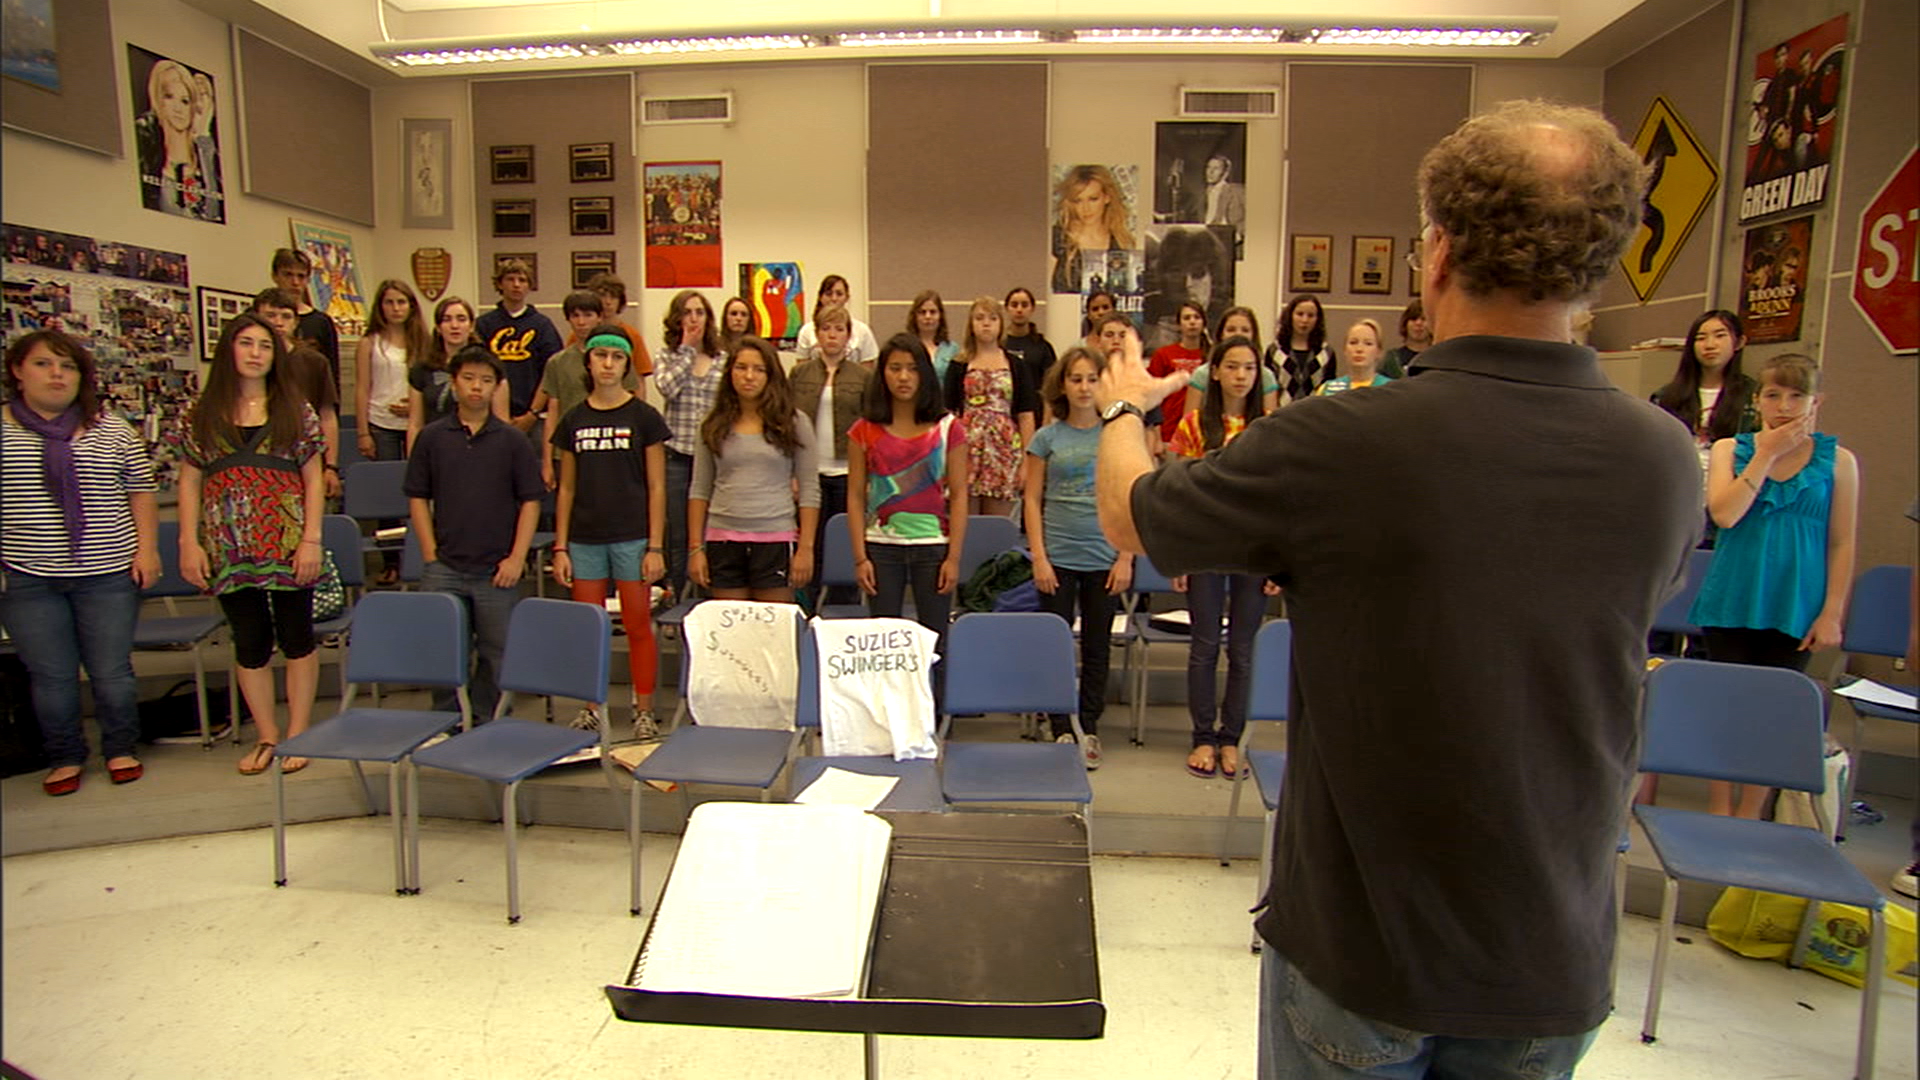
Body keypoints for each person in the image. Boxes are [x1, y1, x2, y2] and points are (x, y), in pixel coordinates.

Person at [1094, 101, 1698, 1076]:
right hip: (1548, 962)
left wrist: (1122, 404)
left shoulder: (1343, 443)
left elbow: (1131, 515)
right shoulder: (1666, 460)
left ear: (1439, 252)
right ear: (1599, 263)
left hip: (1365, 958)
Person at [1688, 352, 1858, 819]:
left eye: (1797, 396)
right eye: (1773, 394)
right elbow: (1725, 514)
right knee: (1728, 705)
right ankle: (1720, 808)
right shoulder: (1730, 450)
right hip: (1734, 595)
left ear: (1816, 402)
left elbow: (1842, 542)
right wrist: (1766, 454)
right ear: (1757, 400)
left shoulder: (1839, 462)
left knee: (1771, 710)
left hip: (1796, 602)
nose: (1784, 406)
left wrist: (1832, 611)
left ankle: (1752, 811)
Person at [0, 331, 159, 796]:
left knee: (111, 672)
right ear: (18, 371)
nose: (57, 375)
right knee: (51, 676)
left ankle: (120, 748)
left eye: (67, 366)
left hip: (106, 572)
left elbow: (141, 491)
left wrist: (146, 550)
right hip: (28, 574)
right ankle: (65, 756)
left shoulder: (112, 430)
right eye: (43, 364)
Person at [176, 314, 327, 776]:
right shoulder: (200, 412)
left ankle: (299, 731)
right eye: (246, 343)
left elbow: (313, 477)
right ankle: (267, 735)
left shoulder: (295, 409)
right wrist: (188, 542)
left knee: (296, 636)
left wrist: (311, 538)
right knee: (249, 640)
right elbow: (189, 480)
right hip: (228, 545)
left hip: (286, 539)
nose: (256, 353)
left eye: (265, 345)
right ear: (229, 349)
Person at [404, 347, 543, 724]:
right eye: (468, 378)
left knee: (498, 653)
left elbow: (531, 501)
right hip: (445, 565)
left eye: (485, 380)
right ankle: (447, 721)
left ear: (497, 387)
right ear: (454, 383)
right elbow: (417, 497)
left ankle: (488, 722)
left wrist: (517, 558)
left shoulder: (512, 441)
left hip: (497, 568)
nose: (476, 387)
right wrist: (429, 553)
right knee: (444, 648)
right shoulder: (432, 437)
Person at [550, 327, 670, 738]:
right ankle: (591, 707)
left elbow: (657, 486)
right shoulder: (574, 419)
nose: (607, 364)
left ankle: (644, 709)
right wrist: (561, 546)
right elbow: (566, 488)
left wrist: (655, 546)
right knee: (590, 627)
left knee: (637, 625)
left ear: (627, 365)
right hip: (584, 540)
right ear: (588, 362)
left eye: (616, 357)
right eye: (600, 355)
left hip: (632, 538)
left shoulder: (644, 418)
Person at [1167, 336, 1271, 781]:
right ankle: (1203, 737)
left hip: (1252, 551)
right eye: (1232, 366)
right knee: (1205, 647)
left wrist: (1278, 558)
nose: (1240, 375)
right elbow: (1179, 492)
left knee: (1243, 651)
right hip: (1206, 549)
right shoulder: (1195, 425)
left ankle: (1232, 738)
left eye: (1249, 367)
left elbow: (1279, 497)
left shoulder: (1269, 427)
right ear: (1215, 373)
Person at [1025, 346, 1130, 771]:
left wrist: (1125, 558)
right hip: (1057, 558)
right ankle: (1059, 726)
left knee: (1097, 646)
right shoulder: (1046, 438)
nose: (1085, 387)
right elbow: (1032, 499)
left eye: (1092, 379)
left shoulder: (1117, 435)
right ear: (1062, 385)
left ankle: (1088, 726)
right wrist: (1039, 557)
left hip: (1104, 558)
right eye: (1076, 379)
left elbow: (1129, 498)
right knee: (1056, 645)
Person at [847, 334, 968, 644]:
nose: (903, 377)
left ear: (925, 374)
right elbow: (856, 496)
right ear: (882, 373)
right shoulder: (863, 430)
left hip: (933, 547)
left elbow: (959, 496)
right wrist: (860, 558)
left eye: (913, 369)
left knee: (935, 643)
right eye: (895, 368)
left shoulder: (948, 428)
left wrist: (953, 558)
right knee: (883, 644)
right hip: (880, 547)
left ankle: (936, 682)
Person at [687, 336, 819, 604]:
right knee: (732, 626)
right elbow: (699, 489)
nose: (749, 376)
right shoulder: (711, 424)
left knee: (771, 626)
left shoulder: (794, 422)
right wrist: (695, 549)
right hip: (722, 539)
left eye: (759, 369)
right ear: (729, 373)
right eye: (741, 367)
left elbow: (809, 490)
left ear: (771, 375)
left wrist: (805, 548)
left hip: (775, 538)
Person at [789, 304, 871, 610]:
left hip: (848, 473)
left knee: (845, 545)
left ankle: (843, 608)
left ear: (848, 336)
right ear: (816, 334)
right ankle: (807, 607)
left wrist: (868, 476)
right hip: (809, 474)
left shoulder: (863, 376)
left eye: (839, 329)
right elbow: (786, 423)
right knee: (810, 544)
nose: (832, 335)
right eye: (826, 329)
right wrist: (791, 474)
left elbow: (870, 428)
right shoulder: (800, 374)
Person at [654, 289, 725, 609]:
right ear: (677, 319)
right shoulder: (667, 356)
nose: (694, 318)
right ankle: (681, 602)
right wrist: (686, 350)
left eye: (700, 312)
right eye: (687, 312)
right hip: (677, 457)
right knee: (680, 536)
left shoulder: (722, 359)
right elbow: (667, 388)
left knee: (712, 532)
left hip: (713, 459)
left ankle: (710, 603)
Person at [533, 290, 639, 491]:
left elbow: (632, 401)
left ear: (599, 317)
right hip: (567, 449)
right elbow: (553, 413)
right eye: (575, 316)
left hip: (608, 446)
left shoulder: (616, 358)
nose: (581, 322)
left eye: (588, 315)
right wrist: (547, 462)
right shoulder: (557, 362)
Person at [943, 296, 1037, 518]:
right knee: (966, 522)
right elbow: (948, 415)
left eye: (992, 318)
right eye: (980, 318)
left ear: (1001, 324)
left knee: (996, 524)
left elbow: (1026, 416)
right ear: (971, 324)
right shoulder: (958, 365)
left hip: (1004, 450)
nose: (986, 324)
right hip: (966, 448)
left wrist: (1026, 462)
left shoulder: (1017, 365)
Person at [1650, 309, 1760, 499]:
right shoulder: (1665, 397)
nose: (1709, 345)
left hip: (1730, 498)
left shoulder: (1753, 397)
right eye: (1700, 338)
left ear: (1739, 342)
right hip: (1676, 495)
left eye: (1720, 335)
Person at [250, 288, 341, 499]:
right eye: (270, 315)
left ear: (296, 322)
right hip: (259, 458)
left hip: (305, 456)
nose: (278, 323)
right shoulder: (249, 362)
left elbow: (327, 416)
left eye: (286, 316)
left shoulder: (314, 362)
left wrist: (331, 466)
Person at [474, 259, 563, 444]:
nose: (516, 285)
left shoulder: (542, 325)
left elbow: (551, 372)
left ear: (529, 286)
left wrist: (531, 414)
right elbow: (477, 371)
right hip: (490, 415)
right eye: (510, 279)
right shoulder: (484, 325)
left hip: (534, 418)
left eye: (522, 280)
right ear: (500, 284)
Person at [406, 296, 508, 452]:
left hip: (480, 448)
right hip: (435, 448)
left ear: (471, 326)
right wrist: (413, 459)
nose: (454, 326)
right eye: (447, 320)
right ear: (438, 327)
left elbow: (502, 420)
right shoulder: (422, 369)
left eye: (461, 319)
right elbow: (415, 424)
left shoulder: (490, 366)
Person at [133, 58, 222, 222]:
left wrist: (203, 132)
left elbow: (213, 214)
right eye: (169, 97)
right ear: (158, 100)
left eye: (185, 101)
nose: (177, 108)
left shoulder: (206, 160)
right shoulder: (149, 158)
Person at [353, 279, 428, 465]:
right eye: (389, 302)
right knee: (388, 476)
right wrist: (363, 433)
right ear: (380, 307)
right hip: (381, 424)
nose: (396, 308)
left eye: (401, 302)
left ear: (411, 306)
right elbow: (362, 388)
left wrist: (417, 406)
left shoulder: (425, 343)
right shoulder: (369, 343)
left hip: (417, 422)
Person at [1051, 164, 1135, 295]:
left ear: (1107, 197)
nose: (1086, 208)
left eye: (1093, 199)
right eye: (1078, 201)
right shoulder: (1057, 239)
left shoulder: (1121, 242)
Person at [1184, 306, 1280, 419]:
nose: (1238, 334)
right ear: (1221, 334)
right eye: (1231, 330)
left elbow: (1271, 422)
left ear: (1253, 335)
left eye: (1245, 330)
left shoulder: (1266, 376)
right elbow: (1189, 419)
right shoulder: (1202, 374)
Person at [270, 249, 341, 391]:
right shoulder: (258, 315)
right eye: (288, 275)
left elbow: (331, 374)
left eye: (301, 276)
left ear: (308, 280)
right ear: (275, 276)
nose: (295, 282)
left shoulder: (321, 322)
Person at [1148, 301, 1210, 444]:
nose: (1192, 322)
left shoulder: (1212, 355)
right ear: (1178, 324)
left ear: (1204, 323)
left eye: (1197, 317)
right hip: (1168, 430)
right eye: (1187, 318)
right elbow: (1152, 395)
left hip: (1202, 431)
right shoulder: (1163, 354)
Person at [793, 275, 881, 363]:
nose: (834, 298)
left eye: (839, 294)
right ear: (820, 297)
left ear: (846, 298)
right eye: (828, 294)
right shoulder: (807, 331)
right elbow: (802, 368)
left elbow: (867, 368)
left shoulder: (862, 330)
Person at [1268, 294, 1335, 405]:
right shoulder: (1275, 351)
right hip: (1283, 412)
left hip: (1315, 411)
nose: (1305, 320)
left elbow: (1330, 389)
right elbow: (1268, 387)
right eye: (1300, 314)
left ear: (1317, 319)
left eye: (1310, 315)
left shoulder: (1326, 353)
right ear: (1290, 316)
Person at [1315, 319, 1394, 396]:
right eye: (1353, 342)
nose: (1359, 349)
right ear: (1345, 349)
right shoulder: (1327, 389)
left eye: (1368, 343)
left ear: (1379, 351)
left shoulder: (1391, 389)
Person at [1002, 286, 1057, 393]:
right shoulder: (999, 345)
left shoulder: (1043, 347)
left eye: (1024, 305)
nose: (1019, 310)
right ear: (1006, 309)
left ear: (1032, 309)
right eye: (1014, 305)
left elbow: (1051, 385)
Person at [907, 290, 960, 382]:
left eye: (933, 312)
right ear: (914, 317)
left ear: (940, 316)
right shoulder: (906, 348)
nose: (928, 317)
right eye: (922, 312)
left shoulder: (952, 349)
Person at [1201, 153, 1247, 246]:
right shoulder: (1203, 194)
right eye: (1208, 167)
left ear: (1225, 173)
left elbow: (1253, 216)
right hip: (1207, 240)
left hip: (1230, 241)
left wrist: (1238, 234)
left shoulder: (1237, 191)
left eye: (1216, 168)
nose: (1210, 172)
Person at [1381, 299, 1430, 380]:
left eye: (1423, 319)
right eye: (1413, 319)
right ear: (1405, 324)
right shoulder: (1392, 360)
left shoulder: (1439, 358)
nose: (1418, 323)